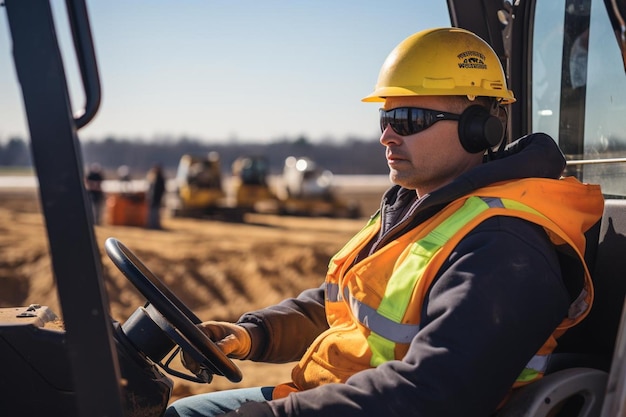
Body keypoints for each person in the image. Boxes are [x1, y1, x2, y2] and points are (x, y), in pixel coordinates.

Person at [165, 27, 604, 417]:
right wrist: (253, 333)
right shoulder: (419, 208)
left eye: (409, 120)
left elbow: (434, 393)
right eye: (386, 118)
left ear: (482, 129)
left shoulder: (504, 246)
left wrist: (286, 413)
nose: (387, 135)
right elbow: (344, 306)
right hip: (332, 395)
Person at [146, 163, 166, 229]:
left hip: (156, 199)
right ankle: (152, 225)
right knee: (153, 213)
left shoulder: (159, 179)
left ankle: (154, 225)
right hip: (154, 199)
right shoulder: (154, 179)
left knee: (154, 213)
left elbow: (160, 190)